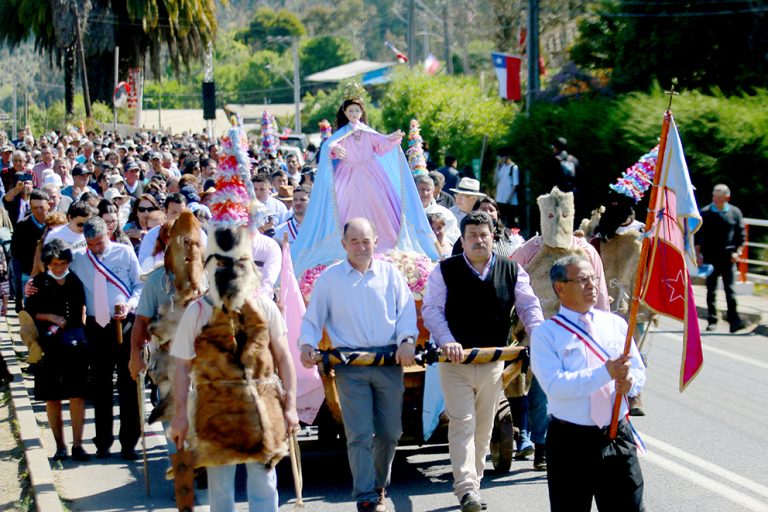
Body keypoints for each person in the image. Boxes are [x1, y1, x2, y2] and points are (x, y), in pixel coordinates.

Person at [170, 209, 298, 512]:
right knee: (221, 490)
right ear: (210, 265)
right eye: (223, 263)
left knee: (264, 486)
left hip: (263, 407)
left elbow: (284, 357)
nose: (230, 270)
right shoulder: (197, 311)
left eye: (239, 263)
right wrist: (179, 415)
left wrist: (290, 406)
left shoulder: (265, 306)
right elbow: (181, 366)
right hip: (215, 408)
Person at [423, 211, 543, 512]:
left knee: (483, 427)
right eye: (472, 235)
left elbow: (529, 305)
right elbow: (432, 310)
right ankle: (465, 488)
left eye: (484, 234)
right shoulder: (444, 270)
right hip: (456, 363)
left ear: (493, 237)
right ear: (462, 240)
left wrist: (539, 334)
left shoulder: (511, 270)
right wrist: (446, 339)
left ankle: (472, 486)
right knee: (462, 422)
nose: (478, 240)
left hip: (493, 363)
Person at [299, 218, 418, 512]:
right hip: (350, 367)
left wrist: (407, 341)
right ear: (344, 245)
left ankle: (379, 485)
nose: (361, 247)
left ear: (376, 242)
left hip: (388, 363)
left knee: (390, 433)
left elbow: (405, 314)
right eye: (355, 241)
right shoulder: (330, 279)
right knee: (360, 433)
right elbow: (313, 319)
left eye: (366, 241)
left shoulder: (391, 275)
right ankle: (365, 495)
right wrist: (306, 344)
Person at [531, 255, 645, 512]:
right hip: (571, 441)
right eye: (582, 280)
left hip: (617, 433)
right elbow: (555, 386)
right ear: (560, 287)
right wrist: (605, 372)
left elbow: (637, 370)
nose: (592, 285)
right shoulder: (546, 334)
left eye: (593, 278)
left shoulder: (614, 324)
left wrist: (631, 384)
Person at [291, 94, 438, 275]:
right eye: (351, 110)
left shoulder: (368, 132)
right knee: (348, 210)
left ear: (361, 112)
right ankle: (351, 246)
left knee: (381, 209)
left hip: (372, 176)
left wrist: (392, 139)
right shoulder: (341, 134)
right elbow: (329, 149)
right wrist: (334, 150)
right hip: (348, 176)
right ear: (345, 112)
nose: (354, 113)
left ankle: (384, 246)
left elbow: (381, 147)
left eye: (357, 110)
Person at [71, 218, 143, 459]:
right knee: (100, 384)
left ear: (108, 234)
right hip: (96, 324)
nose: (95, 248)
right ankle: (102, 442)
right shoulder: (80, 257)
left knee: (127, 382)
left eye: (99, 243)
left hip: (124, 323)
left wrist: (130, 304)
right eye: (90, 244)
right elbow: (55, 270)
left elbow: (139, 285)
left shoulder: (124, 252)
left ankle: (129, 442)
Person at [24, 239, 91, 462]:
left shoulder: (75, 281)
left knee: (77, 395)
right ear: (47, 264)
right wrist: (49, 317)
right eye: (54, 264)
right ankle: (60, 446)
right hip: (49, 346)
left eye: (62, 263)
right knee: (52, 398)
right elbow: (28, 311)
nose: (59, 267)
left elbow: (82, 307)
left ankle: (78, 445)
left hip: (74, 345)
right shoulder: (39, 282)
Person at [695, 184, 747, 333]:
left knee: (730, 291)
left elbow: (741, 234)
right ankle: (712, 320)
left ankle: (734, 321)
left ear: (726, 197)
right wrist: (698, 254)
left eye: (719, 196)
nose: (715, 199)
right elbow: (698, 236)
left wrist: (738, 251)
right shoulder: (705, 212)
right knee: (710, 290)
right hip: (710, 257)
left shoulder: (735, 212)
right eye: (714, 196)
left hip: (728, 257)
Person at [415, 173, 460, 246]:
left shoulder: (446, 215)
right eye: (422, 190)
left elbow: (454, 238)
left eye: (428, 190)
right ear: (414, 191)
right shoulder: (405, 212)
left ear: (433, 191)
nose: (425, 193)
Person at [494, 148, 520, 227]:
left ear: (508, 157)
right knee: (501, 222)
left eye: (503, 157)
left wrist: (509, 198)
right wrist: (497, 167)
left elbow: (515, 184)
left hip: (509, 201)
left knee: (510, 223)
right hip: (500, 199)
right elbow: (495, 181)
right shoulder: (501, 167)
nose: (501, 159)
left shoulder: (514, 167)